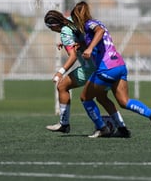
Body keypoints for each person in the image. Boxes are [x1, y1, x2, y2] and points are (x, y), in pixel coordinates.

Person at [70, 1, 151, 138]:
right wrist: (81, 45)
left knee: (85, 98)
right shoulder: (97, 24)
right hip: (119, 66)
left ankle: (102, 128)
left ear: (78, 17)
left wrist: (88, 48)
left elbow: (99, 33)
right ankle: (150, 116)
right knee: (121, 101)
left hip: (106, 68)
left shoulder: (89, 24)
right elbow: (98, 40)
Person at [44, 10, 131, 138]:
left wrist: (60, 72)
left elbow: (73, 56)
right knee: (102, 98)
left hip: (88, 68)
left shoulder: (64, 32)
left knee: (62, 86)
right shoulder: (74, 20)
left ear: (54, 26)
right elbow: (84, 35)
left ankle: (65, 124)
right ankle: (122, 127)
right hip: (102, 63)